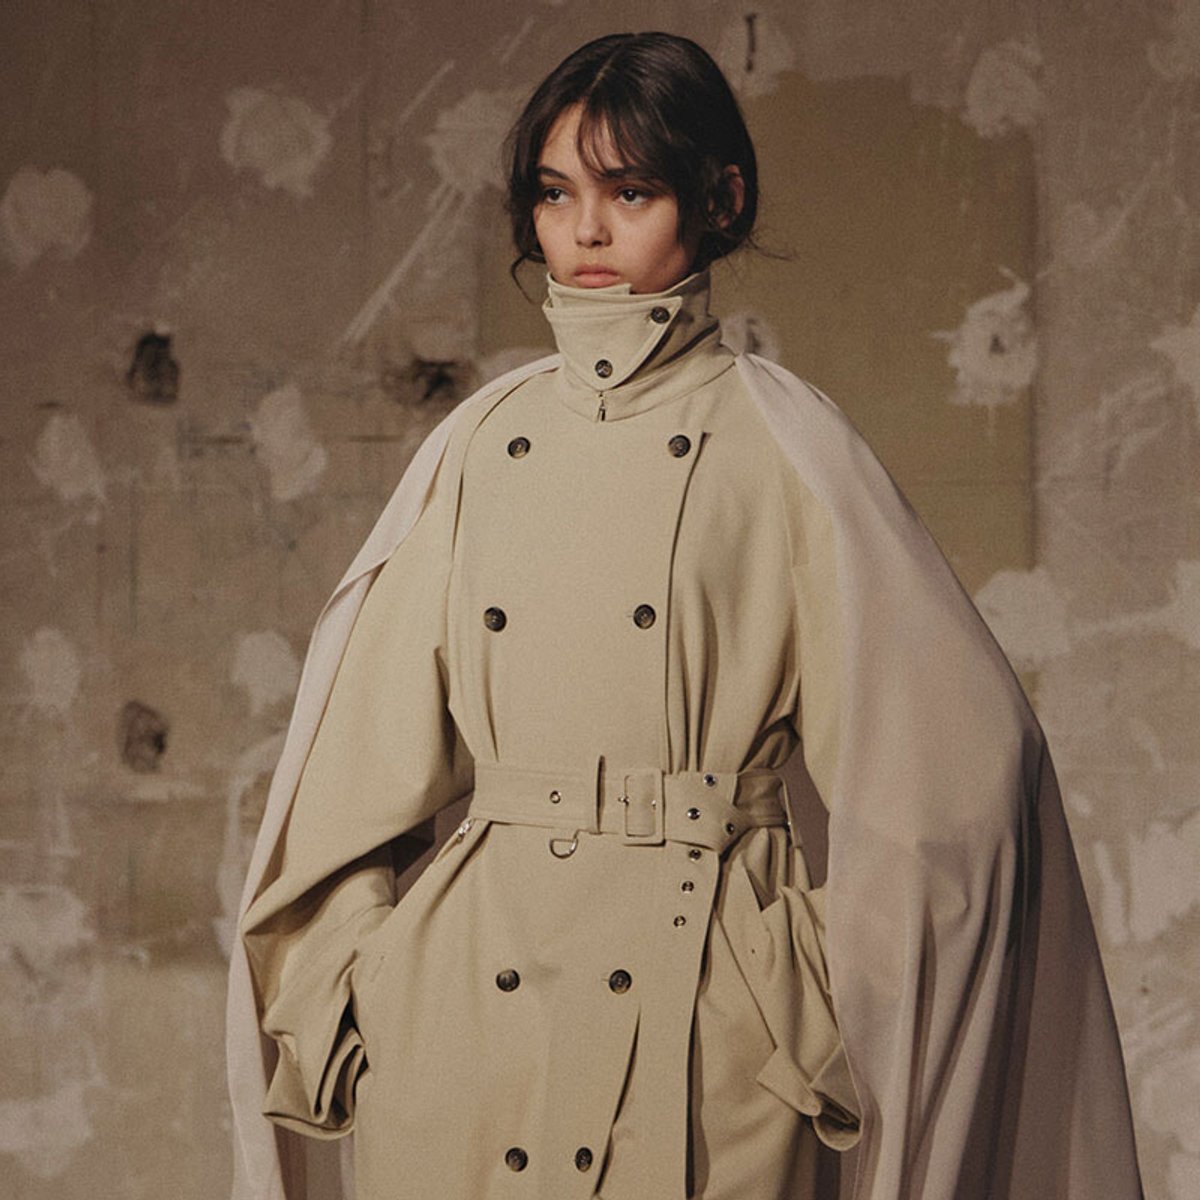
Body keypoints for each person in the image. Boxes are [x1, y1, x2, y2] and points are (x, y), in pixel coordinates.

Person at [227, 31, 1143, 1200]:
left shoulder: (787, 444)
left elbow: (965, 773)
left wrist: (801, 985)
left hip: (706, 1030)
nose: (587, 233)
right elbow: (347, 774)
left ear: (720, 200)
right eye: (557, 194)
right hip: (462, 1027)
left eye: (631, 191)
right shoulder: (474, 448)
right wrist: (366, 979)